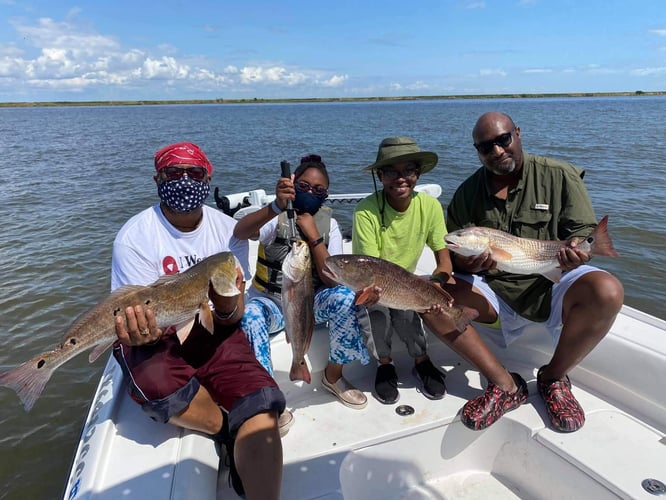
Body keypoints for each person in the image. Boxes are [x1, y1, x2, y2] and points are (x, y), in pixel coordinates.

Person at [429, 111, 624, 432]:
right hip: (494, 289)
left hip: (550, 279)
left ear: (517, 134)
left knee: (608, 290)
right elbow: (455, 255)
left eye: (503, 140)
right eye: (485, 147)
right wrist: (469, 262)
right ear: (477, 151)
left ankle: (552, 378)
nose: (497, 151)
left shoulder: (559, 175)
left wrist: (577, 249)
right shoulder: (467, 192)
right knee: (428, 299)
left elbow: (581, 231)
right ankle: (506, 386)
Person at [111, 142, 285, 499]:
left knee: (263, 398)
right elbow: (130, 314)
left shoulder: (227, 231)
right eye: (174, 173)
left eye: (195, 173)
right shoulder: (135, 237)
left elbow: (232, 316)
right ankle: (224, 429)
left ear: (209, 177)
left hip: (209, 324)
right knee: (157, 384)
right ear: (158, 178)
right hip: (156, 336)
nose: (185, 180)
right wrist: (138, 334)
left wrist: (226, 305)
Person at [233, 154, 371, 414]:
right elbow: (240, 232)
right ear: (293, 185)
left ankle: (333, 376)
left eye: (318, 190)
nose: (310, 192)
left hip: (308, 304)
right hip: (273, 303)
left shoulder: (329, 225)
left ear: (326, 194)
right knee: (250, 315)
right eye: (304, 186)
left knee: (344, 297)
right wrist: (275, 205)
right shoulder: (275, 218)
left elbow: (331, 279)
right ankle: (266, 393)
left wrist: (314, 236)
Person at [352, 137, 449, 404]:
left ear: (418, 173)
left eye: (408, 170)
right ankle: (385, 364)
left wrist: (437, 285)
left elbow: (444, 259)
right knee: (378, 311)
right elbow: (369, 269)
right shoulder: (366, 211)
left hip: (408, 281)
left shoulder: (430, 206)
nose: (401, 178)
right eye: (391, 171)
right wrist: (373, 293)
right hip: (378, 284)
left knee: (408, 315)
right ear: (379, 175)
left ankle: (422, 360)